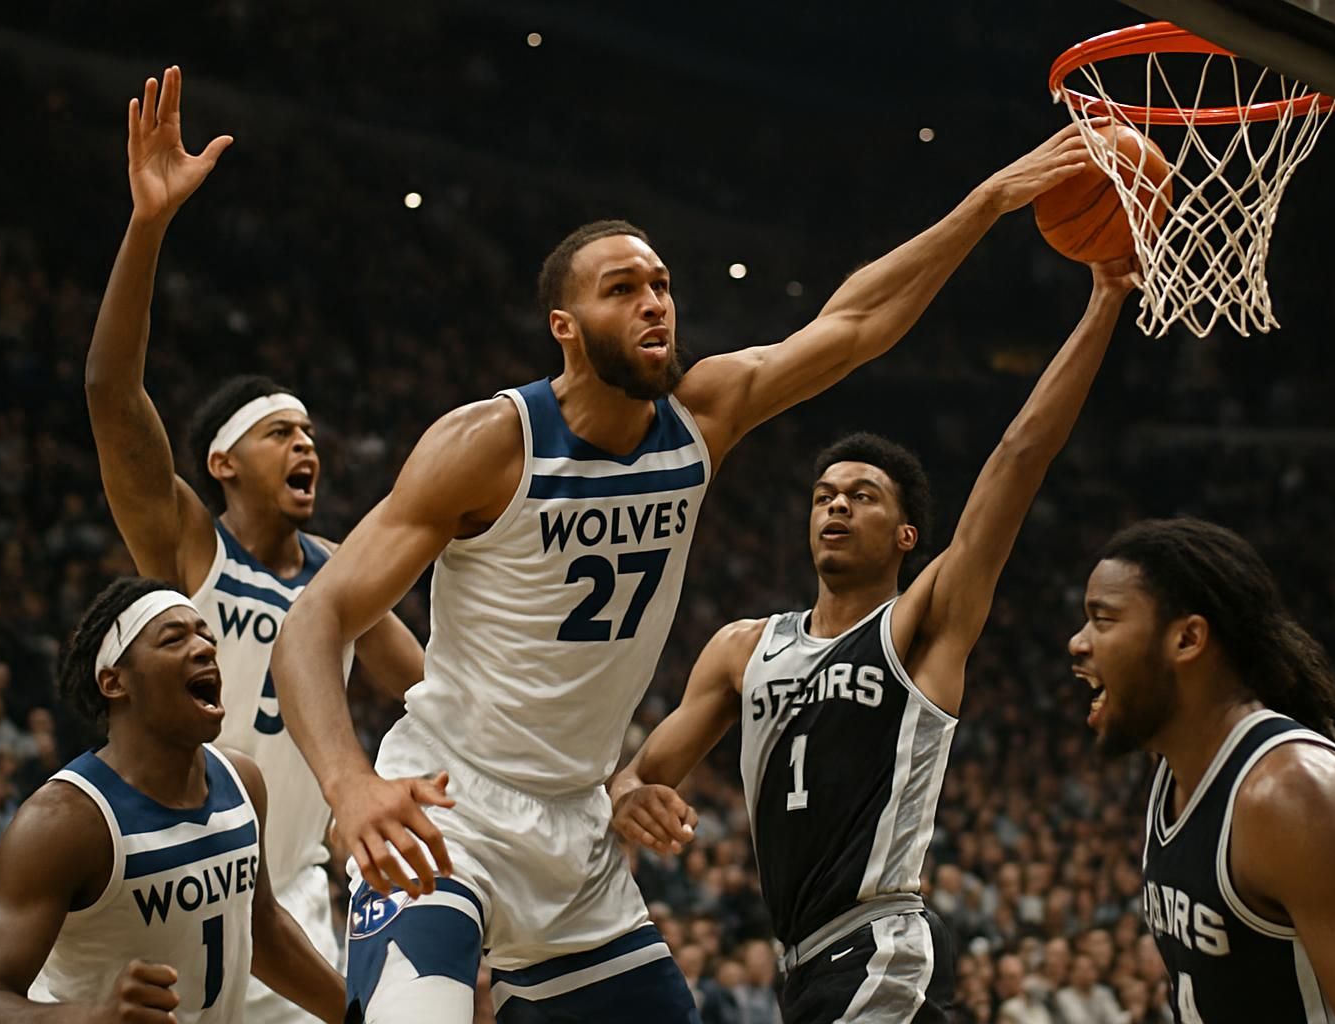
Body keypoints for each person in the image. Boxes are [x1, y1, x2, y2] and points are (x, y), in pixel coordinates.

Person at [271, 119, 1102, 1021]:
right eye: (621, 290)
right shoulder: (489, 446)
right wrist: (349, 783)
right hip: (450, 809)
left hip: (577, 833)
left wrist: (986, 204)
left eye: (661, 285)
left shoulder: (703, 419)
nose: (654, 304)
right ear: (567, 328)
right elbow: (315, 621)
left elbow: (856, 325)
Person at [609, 261, 1135, 1021]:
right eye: (824, 496)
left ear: (905, 535)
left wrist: (1105, 301)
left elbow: (1020, 455)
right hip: (802, 966)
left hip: (881, 944)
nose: (837, 508)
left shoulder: (920, 627)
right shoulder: (741, 649)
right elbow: (641, 773)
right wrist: (631, 797)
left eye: (862, 497)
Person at [84, 67, 425, 1023]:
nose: (307, 444)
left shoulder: (344, 582)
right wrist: (147, 224)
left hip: (294, 902)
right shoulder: (190, 544)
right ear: (224, 461)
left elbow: (438, 692)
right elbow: (112, 395)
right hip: (170, 869)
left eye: (311, 433)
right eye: (283, 433)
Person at [1067, 517, 1335, 1023]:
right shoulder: (1176, 771)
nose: (1078, 642)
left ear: (1187, 639)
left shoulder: (1292, 796)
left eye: (1104, 619)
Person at [0, 577, 345, 1022]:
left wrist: (357, 1013)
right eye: (174, 639)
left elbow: (264, 931)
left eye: (205, 636)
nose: (204, 648)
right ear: (114, 682)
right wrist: (94, 1018)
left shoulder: (243, 780)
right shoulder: (64, 822)